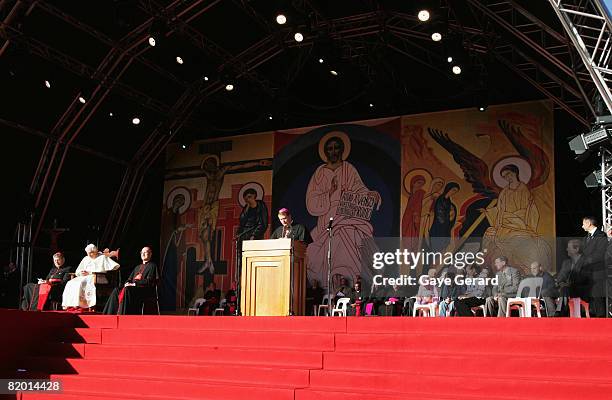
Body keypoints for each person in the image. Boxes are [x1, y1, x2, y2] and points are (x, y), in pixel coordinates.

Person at [305, 133, 381, 287]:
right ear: (326, 151)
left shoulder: (348, 168)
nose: (333, 151)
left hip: (347, 215)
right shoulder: (320, 172)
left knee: (350, 234)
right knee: (325, 244)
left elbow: (359, 189)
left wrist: (370, 194)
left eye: (336, 148)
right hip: (327, 218)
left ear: (341, 150)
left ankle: (355, 281)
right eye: (330, 148)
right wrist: (330, 192)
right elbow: (311, 200)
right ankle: (330, 283)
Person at [62, 244, 120, 310]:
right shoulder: (86, 258)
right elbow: (78, 270)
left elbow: (111, 268)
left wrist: (90, 272)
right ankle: (71, 304)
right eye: (87, 253)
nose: (89, 255)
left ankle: (82, 305)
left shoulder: (102, 257)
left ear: (95, 252)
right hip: (85, 276)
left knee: (81, 283)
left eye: (91, 253)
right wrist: (81, 272)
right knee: (70, 282)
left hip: (98, 277)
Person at [103, 247, 158, 315]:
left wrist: (135, 284)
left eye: (145, 252)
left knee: (127, 289)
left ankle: (123, 314)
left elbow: (149, 281)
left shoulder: (152, 266)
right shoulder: (137, 267)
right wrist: (127, 283)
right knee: (116, 290)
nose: (143, 254)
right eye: (142, 252)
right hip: (132, 288)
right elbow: (129, 279)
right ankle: (109, 314)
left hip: (143, 289)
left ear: (150, 254)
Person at [580, 216, 607, 317]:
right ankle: (592, 318)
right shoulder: (586, 237)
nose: (582, 226)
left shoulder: (601, 235)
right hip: (587, 273)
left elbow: (600, 254)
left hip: (597, 272)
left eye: (583, 224)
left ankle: (601, 320)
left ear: (589, 223)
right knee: (589, 297)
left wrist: (586, 260)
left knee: (597, 296)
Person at [429, 182, 460, 253]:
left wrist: (451, 217)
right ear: (448, 189)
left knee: (443, 249)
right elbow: (440, 216)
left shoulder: (449, 202)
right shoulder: (440, 200)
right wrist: (448, 217)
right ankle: (433, 263)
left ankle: (438, 262)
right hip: (438, 229)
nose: (454, 192)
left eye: (456, 191)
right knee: (436, 250)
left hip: (445, 229)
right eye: (453, 190)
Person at [555, 239, 582, 316]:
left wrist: (570, 284)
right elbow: (560, 276)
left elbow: (586, 278)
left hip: (581, 288)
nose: (567, 249)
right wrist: (561, 283)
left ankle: (560, 312)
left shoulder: (585, 261)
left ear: (576, 249)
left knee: (565, 289)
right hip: (567, 289)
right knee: (550, 290)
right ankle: (557, 312)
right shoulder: (566, 262)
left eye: (569, 247)